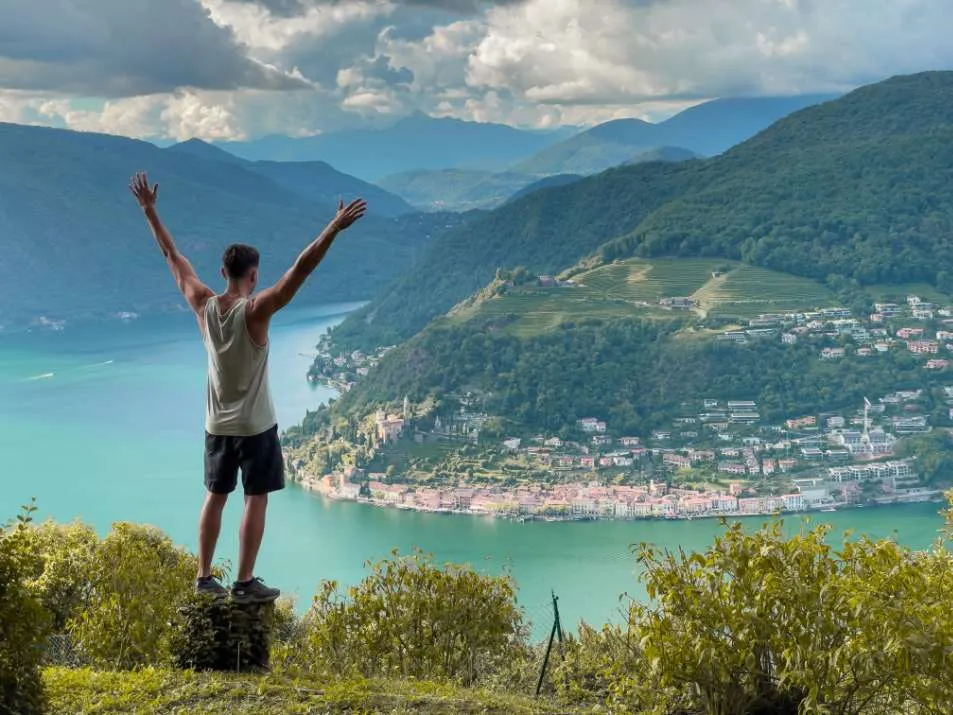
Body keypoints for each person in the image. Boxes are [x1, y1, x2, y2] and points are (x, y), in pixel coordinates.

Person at [129, 171, 368, 603]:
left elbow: (171, 255)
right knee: (255, 498)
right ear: (253, 275)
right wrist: (333, 228)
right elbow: (301, 269)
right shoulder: (256, 311)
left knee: (215, 496)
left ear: (223, 272)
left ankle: (204, 578)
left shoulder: (202, 304)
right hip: (256, 427)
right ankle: (244, 582)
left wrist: (150, 211)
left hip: (216, 426)